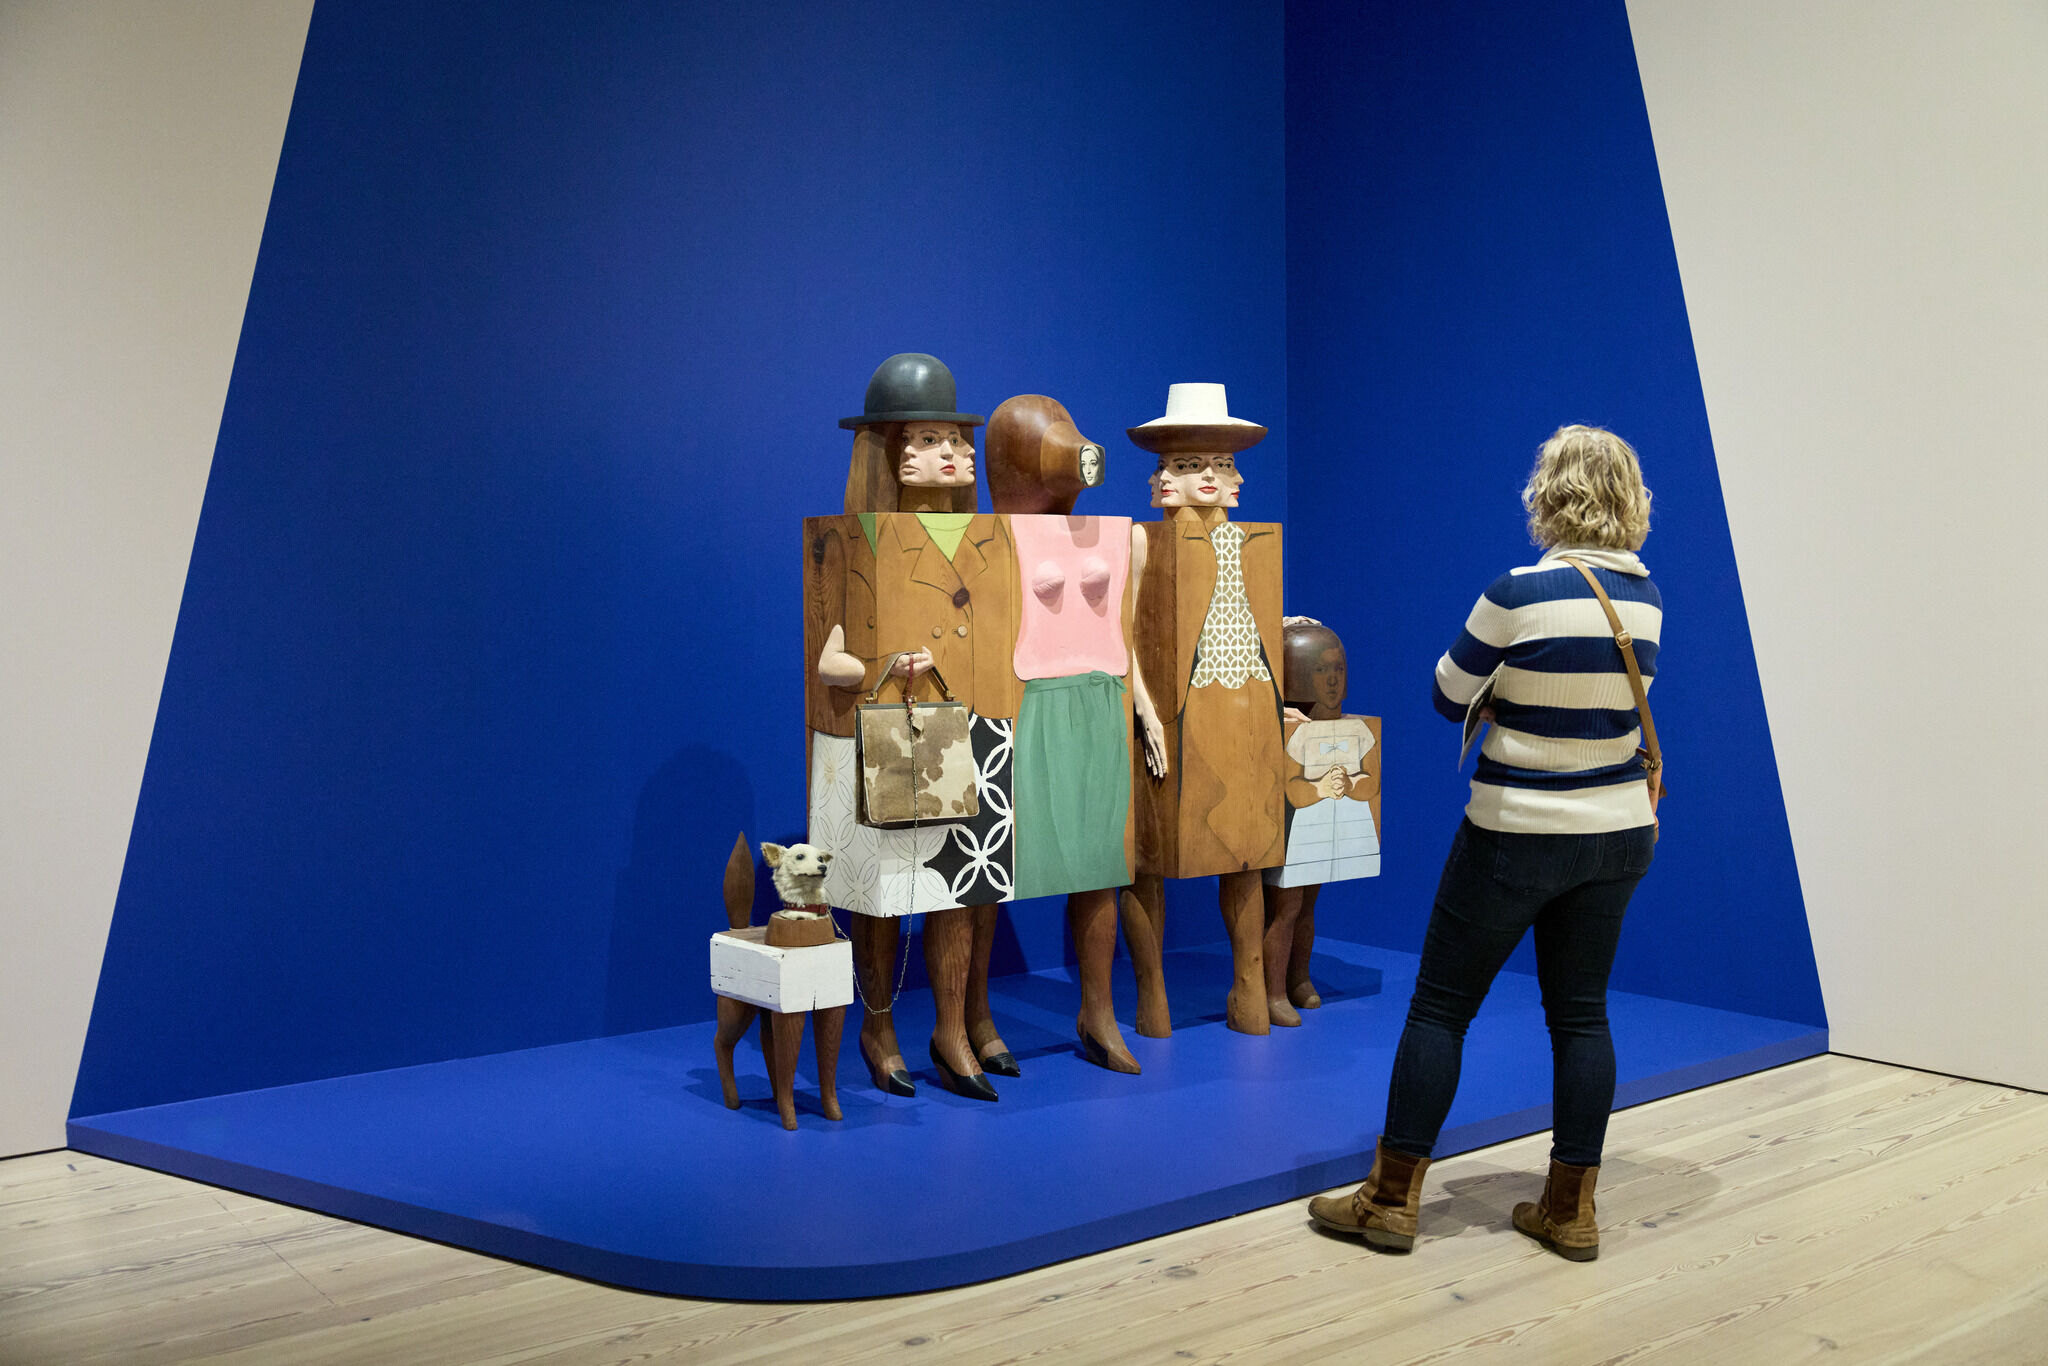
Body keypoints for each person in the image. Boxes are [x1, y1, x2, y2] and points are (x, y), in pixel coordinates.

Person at [1309, 424, 1661, 1261]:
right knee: (1580, 1017)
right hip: (1618, 833)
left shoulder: (1517, 592)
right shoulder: (1646, 597)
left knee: (1441, 1007)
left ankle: (1391, 1200)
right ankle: (1571, 1211)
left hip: (1516, 831)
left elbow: (1446, 691)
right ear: (1628, 499)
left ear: (1551, 493)